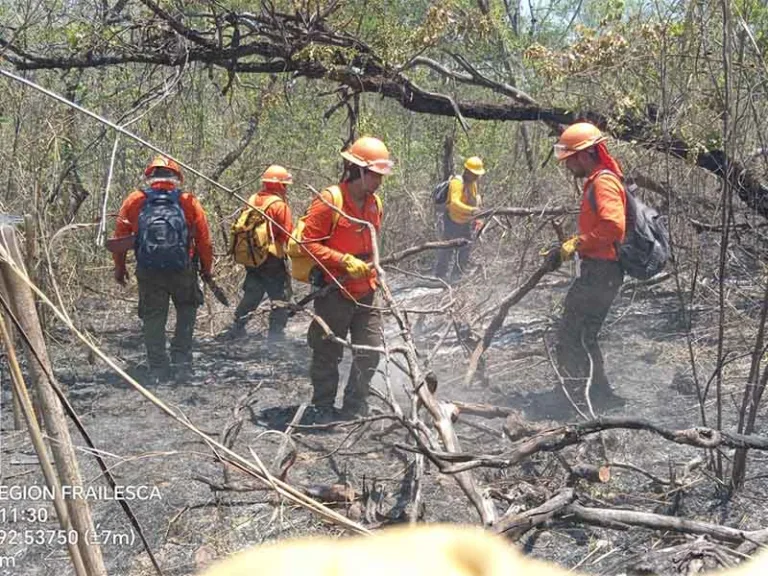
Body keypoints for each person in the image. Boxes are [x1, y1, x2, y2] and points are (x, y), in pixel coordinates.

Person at [299, 136, 393, 424]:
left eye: (381, 175)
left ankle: (354, 405)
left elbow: (372, 243)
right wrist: (343, 261)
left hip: (367, 290)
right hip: (334, 291)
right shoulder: (330, 200)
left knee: (371, 350)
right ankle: (322, 406)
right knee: (327, 351)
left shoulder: (375, 203)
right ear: (358, 171)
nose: (379, 181)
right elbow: (307, 244)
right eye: (375, 174)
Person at [112, 155, 213, 383]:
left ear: (149, 176)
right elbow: (204, 240)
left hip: (149, 270)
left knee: (153, 317)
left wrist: (119, 267)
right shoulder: (188, 201)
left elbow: (120, 238)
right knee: (186, 311)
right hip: (183, 269)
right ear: (176, 177)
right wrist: (207, 269)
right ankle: (182, 363)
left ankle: (158, 368)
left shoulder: (135, 199)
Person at [551, 122, 626, 409]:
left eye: (570, 159)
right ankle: (599, 394)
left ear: (584, 155)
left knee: (571, 333)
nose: (568, 165)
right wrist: (573, 245)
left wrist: (578, 243)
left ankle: (573, 397)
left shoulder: (603, 182)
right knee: (585, 334)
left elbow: (614, 227)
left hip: (602, 271)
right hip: (601, 270)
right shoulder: (598, 180)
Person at [226, 165, 294, 341]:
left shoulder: (253, 199)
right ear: (280, 185)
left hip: (252, 256)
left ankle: (237, 327)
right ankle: (276, 337)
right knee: (280, 296)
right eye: (285, 185)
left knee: (252, 292)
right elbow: (287, 235)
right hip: (272, 259)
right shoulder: (279, 205)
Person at [433, 156, 485, 283]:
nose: (477, 177)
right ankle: (439, 278)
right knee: (447, 249)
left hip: (466, 222)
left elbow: (473, 202)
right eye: (474, 174)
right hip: (452, 221)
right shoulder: (457, 183)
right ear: (467, 171)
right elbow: (455, 203)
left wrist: (477, 218)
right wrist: (472, 211)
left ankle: (456, 277)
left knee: (465, 249)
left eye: (477, 174)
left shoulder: (473, 184)